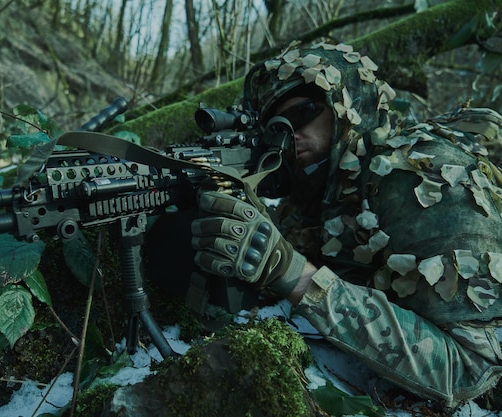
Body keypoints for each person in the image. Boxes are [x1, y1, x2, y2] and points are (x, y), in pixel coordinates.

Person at [190, 42, 502, 409]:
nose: (289, 136)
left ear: (349, 104)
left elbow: (475, 372)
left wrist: (296, 276)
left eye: (303, 113)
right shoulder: (321, 189)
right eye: (276, 127)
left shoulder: (426, 177)